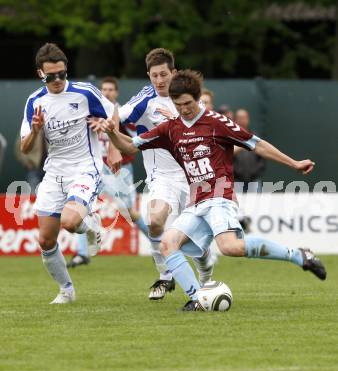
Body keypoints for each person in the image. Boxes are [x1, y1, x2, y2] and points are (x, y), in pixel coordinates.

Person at [102, 69, 327, 311]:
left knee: (230, 247)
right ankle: (198, 298)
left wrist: (293, 163)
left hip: (220, 196)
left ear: (197, 98)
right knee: (167, 244)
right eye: (178, 105)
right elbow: (130, 146)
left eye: (188, 103)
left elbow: (256, 144)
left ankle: (298, 255)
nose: (184, 109)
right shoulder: (170, 128)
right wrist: (112, 133)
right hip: (196, 201)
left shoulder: (217, 122)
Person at [116, 49, 216, 300]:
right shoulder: (146, 99)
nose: (159, 81)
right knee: (155, 220)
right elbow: (116, 118)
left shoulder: (189, 99)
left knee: (195, 243)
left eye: (163, 74)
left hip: (193, 177)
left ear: (173, 72)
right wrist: (111, 145)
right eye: (154, 76)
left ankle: (205, 276)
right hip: (162, 177)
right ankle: (165, 276)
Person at [20, 43, 114, 303]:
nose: (58, 80)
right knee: (45, 239)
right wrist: (37, 130)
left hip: (85, 166)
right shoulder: (35, 101)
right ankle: (66, 290)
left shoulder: (84, 93)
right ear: (41, 74)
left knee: (70, 222)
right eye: (51, 76)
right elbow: (24, 146)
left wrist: (106, 126)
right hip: (55, 171)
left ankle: (92, 225)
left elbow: (113, 114)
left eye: (62, 73)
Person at [68, 76, 149, 268]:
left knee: (128, 212)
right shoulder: (92, 113)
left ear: (117, 92)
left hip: (119, 169)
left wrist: (113, 133)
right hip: (95, 168)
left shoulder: (124, 115)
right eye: (104, 89)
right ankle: (82, 253)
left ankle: (157, 241)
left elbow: (137, 140)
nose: (107, 92)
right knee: (83, 205)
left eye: (111, 89)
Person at [233, 108, 265, 193]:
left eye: (244, 118)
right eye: (239, 118)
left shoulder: (255, 137)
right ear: (235, 120)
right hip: (237, 181)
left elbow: (262, 157)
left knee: (256, 205)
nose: (241, 120)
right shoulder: (231, 138)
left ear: (248, 119)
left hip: (254, 180)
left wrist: (256, 171)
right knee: (237, 205)